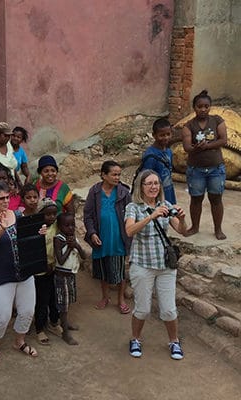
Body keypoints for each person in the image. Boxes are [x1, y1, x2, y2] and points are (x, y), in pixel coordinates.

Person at [125, 169, 187, 360]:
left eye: (156, 183)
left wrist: (182, 218)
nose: (153, 187)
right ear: (141, 187)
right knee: (142, 308)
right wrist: (151, 216)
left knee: (169, 309)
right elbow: (129, 231)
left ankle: (174, 341)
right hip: (142, 265)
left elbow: (182, 231)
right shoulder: (133, 207)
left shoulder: (165, 204)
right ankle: (135, 339)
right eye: (149, 183)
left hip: (165, 266)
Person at [0, 182, 36, 365]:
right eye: (1, 198)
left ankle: (19, 342)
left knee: (27, 310)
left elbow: (25, 238)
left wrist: (37, 232)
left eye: (7, 197)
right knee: (2, 315)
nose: (5, 201)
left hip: (22, 272)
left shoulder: (15, 214)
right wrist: (2, 227)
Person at [83, 160, 132, 314]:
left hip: (118, 238)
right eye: (114, 174)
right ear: (104, 175)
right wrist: (92, 233)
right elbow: (88, 214)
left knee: (119, 271)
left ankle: (121, 299)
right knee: (103, 270)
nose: (117, 178)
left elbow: (130, 214)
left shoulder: (124, 193)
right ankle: (105, 297)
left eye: (119, 175)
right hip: (100, 237)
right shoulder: (95, 191)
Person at [181, 89, 228, 240]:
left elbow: (223, 140)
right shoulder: (189, 125)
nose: (203, 109)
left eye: (206, 106)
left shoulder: (217, 121)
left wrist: (207, 146)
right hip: (196, 170)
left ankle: (218, 229)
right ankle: (195, 227)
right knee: (196, 199)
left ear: (210, 107)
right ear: (194, 108)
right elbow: (187, 147)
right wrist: (196, 147)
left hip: (216, 169)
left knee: (216, 199)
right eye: (199, 106)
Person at [53, 212, 87, 346]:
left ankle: (65, 324)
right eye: (67, 225)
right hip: (61, 277)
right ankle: (65, 333)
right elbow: (60, 260)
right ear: (60, 226)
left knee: (68, 301)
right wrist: (69, 247)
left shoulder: (73, 238)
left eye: (72, 225)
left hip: (71, 276)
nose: (71, 228)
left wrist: (76, 245)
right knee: (63, 306)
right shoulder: (59, 239)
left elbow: (83, 256)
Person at [34, 198, 62, 345]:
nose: (52, 217)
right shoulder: (38, 229)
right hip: (40, 271)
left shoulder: (56, 226)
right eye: (47, 214)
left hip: (54, 268)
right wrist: (44, 264)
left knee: (54, 297)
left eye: (54, 213)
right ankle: (39, 328)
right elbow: (34, 250)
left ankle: (54, 322)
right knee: (42, 300)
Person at [140, 118, 176, 204]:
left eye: (168, 134)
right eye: (162, 135)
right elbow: (146, 179)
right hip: (156, 196)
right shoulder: (150, 156)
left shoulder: (169, 151)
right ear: (154, 135)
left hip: (168, 192)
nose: (166, 137)